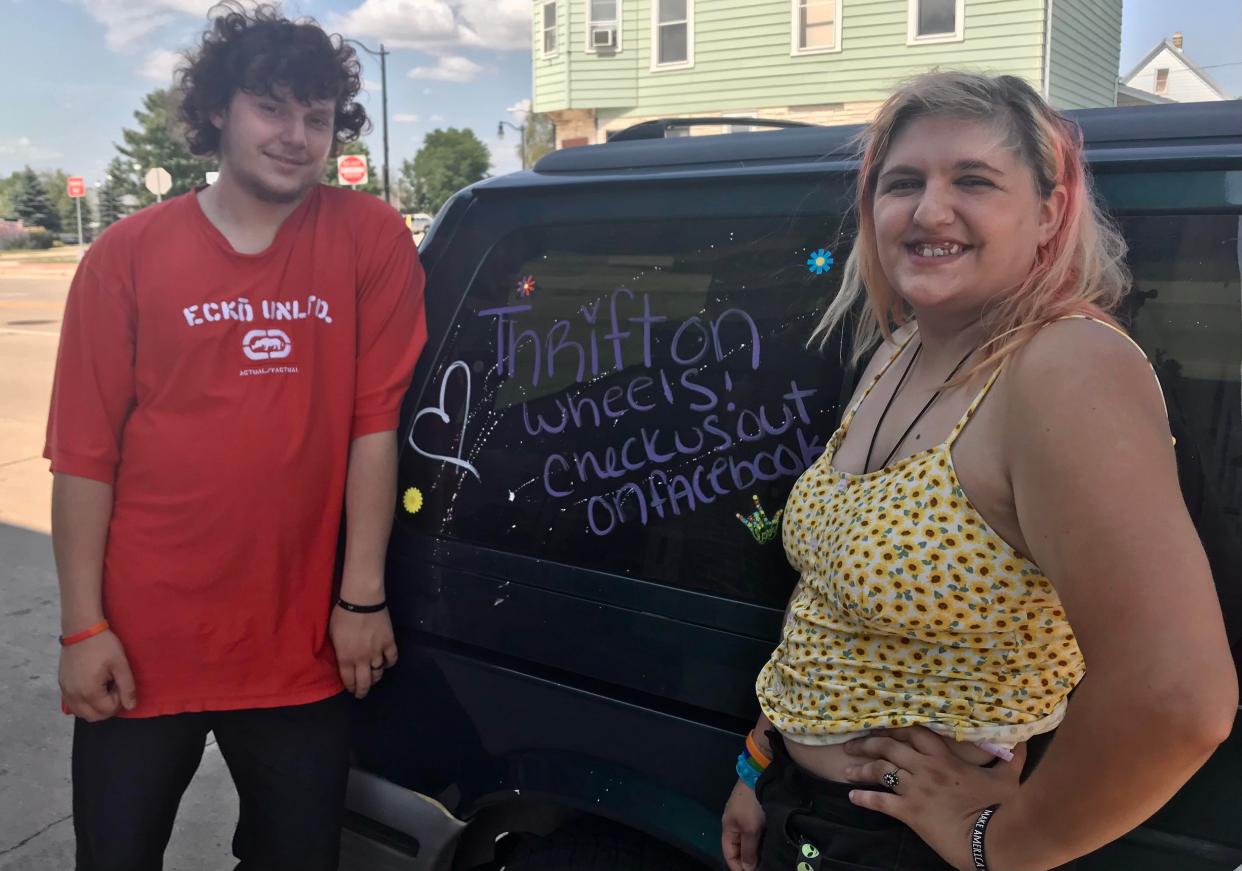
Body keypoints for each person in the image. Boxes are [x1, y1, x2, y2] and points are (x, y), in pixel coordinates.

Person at [720, 71, 1236, 871]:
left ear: (1049, 211)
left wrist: (1002, 846)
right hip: (802, 807)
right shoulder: (901, 347)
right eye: (903, 183)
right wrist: (760, 761)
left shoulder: (1066, 368)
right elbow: (824, 596)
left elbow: (1179, 700)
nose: (929, 211)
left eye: (973, 180)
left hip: (900, 846)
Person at [45, 4, 426, 869]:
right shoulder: (125, 255)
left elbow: (376, 423)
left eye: (318, 116)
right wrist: (80, 628)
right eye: (272, 107)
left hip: (297, 648)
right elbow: (84, 455)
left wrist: (360, 599)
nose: (297, 135)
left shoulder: (369, 237)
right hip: (140, 643)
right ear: (219, 108)